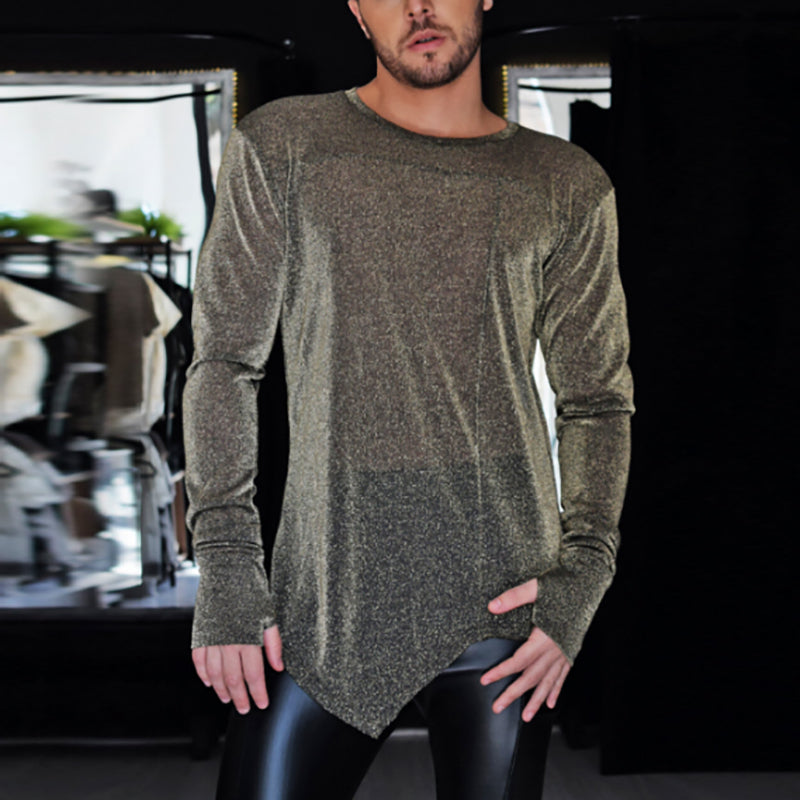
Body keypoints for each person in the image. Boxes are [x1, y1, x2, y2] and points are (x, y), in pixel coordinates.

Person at [183, 0, 634, 797]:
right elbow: (223, 364)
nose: (418, 7)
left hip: (504, 597)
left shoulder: (565, 183)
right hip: (326, 591)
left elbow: (597, 400)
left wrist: (584, 574)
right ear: (357, 9)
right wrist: (225, 567)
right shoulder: (284, 145)